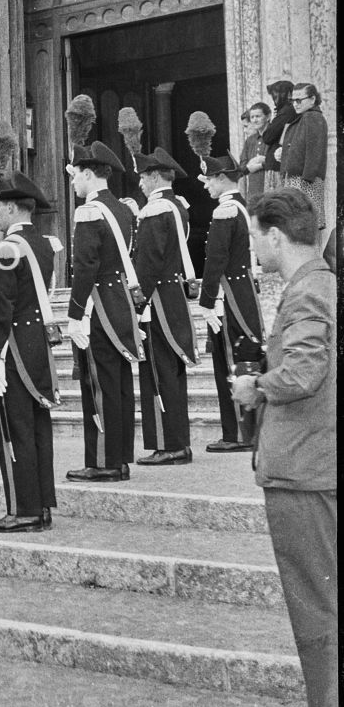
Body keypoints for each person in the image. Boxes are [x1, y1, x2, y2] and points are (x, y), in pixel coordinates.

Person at [231, 189, 337, 707]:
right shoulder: (316, 283)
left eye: (254, 235)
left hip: (303, 468)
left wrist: (256, 388)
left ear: (276, 235)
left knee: (314, 600)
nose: (253, 246)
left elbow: (306, 367)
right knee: (321, 596)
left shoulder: (308, 291)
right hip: (310, 463)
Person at [0, 171, 60, 531]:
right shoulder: (45, 244)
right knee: (38, 427)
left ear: (12, 208)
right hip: (36, 345)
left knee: (15, 429)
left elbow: (1, 307)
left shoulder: (7, 248)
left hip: (12, 345)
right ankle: (41, 504)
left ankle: (23, 508)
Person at [65, 142, 142, 483]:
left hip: (97, 306)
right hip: (119, 303)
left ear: (87, 173)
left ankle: (103, 461)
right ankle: (120, 455)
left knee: (98, 383)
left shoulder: (89, 211)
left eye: (75, 177)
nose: (73, 184)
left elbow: (85, 267)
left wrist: (75, 314)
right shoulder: (124, 209)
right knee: (119, 384)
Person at [132, 149, 200, 466]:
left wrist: (138, 303)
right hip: (173, 295)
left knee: (159, 372)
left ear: (156, 176)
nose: (141, 183)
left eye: (144, 177)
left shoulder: (156, 209)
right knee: (173, 370)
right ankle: (179, 441)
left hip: (157, 298)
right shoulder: (178, 207)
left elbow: (148, 263)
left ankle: (169, 444)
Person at [197, 154, 265, 452]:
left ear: (222, 178)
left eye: (210, 179)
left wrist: (207, 300)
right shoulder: (242, 204)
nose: (206, 186)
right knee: (243, 359)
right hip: (244, 289)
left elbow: (216, 260)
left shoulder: (225, 210)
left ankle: (236, 434)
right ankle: (246, 431)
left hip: (229, 295)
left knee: (229, 359)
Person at [278, 82, 327, 230]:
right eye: (293, 100)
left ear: (312, 99)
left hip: (305, 180)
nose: (295, 104)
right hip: (299, 179)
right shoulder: (304, 117)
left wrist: (307, 178)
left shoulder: (312, 117)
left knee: (305, 226)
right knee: (299, 226)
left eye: (299, 100)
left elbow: (315, 150)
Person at [260, 79, 294, 191]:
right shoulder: (286, 110)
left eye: (275, 96)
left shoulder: (287, 111)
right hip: (277, 164)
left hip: (277, 166)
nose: (274, 100)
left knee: (276, 202)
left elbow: (267, 137)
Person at [241, 102, 271, 200]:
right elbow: (242, 167)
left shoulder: (275, 136)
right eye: (252, 117)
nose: (255, 120)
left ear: (268, 116)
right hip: (254, 193)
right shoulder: (250, 140)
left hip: (272, 189)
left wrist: (261, 164)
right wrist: (249, 166)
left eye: (258, 116)